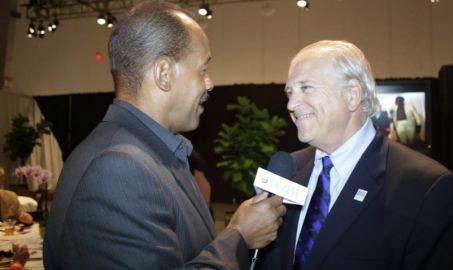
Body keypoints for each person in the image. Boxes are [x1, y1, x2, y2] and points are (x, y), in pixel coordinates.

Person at [43, 1, 286, 269]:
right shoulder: (121, 168)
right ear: (164, 74)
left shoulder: (142, 151)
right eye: (203, 70)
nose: (210, 83)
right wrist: (239, 237)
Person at [258, 40, 453, 270]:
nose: (291, 104)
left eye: (306, 88)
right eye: (289, 92)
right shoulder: (289, 169)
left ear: (352, 95)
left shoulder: (428, 189)